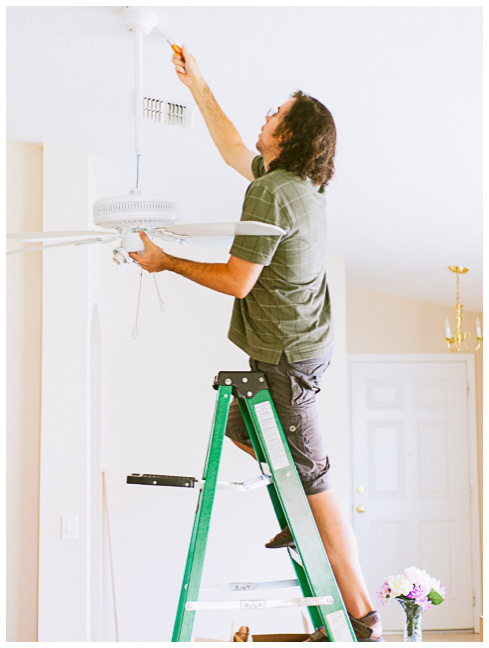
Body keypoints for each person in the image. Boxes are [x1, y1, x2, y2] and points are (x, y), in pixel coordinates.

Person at [130, 44, 383, 643]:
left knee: (313, 476)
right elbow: (230, 149)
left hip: (289, 356)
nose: (265, 116)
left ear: (290, 134)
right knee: (245, 427)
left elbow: (236, 281)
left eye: (276, 113)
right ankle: (299, 515)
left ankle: (363, 613)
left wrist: (165, 261)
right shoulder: (294, 184)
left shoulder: (271, 193)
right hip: (299, 346)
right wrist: (198, 85)